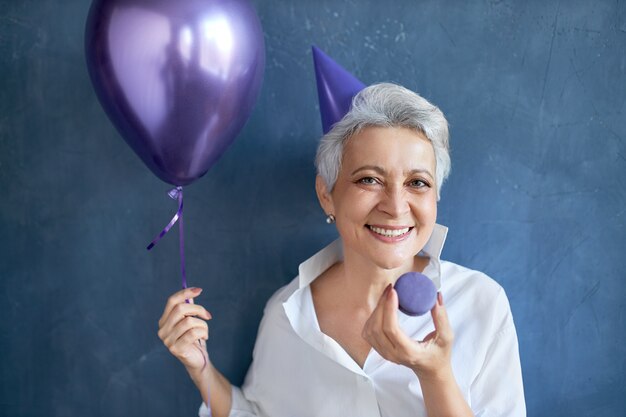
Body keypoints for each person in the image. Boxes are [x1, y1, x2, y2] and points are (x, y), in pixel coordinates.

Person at [157, 83, 526, 417]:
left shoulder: (481, 304)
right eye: (370, 179)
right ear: (326, 195)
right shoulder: (288, 312)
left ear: (436, 197)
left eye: (417, 182)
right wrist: (199, 367)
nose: (396, 206)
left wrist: (435, 373)